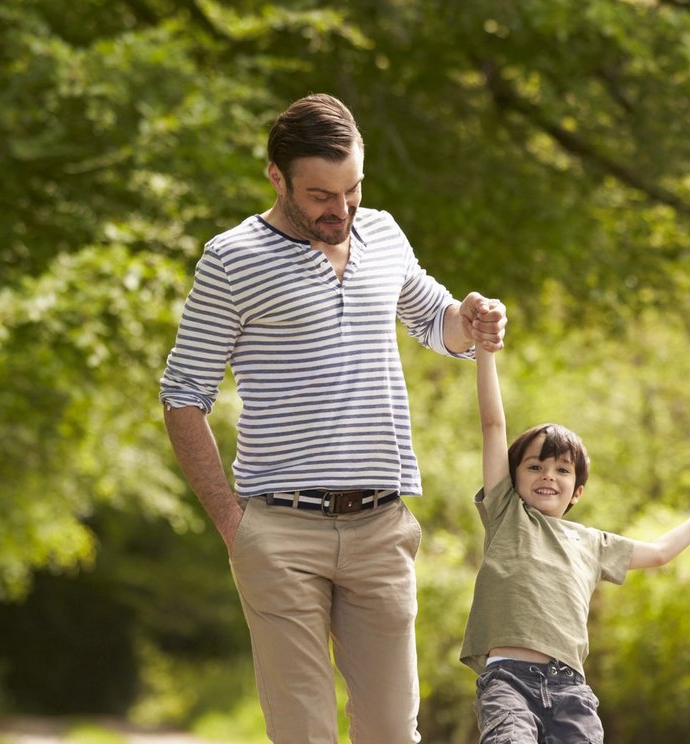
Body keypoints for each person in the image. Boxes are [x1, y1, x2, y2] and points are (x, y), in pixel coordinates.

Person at [159, 93, 507, 744]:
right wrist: (234, 527)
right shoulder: (232, 260)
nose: (340, 210)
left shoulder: (383, 235)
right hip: (280, 531)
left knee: (390, 732)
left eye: (352, 190)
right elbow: (182, 395)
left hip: (382, 527)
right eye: (321, 195)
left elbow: (439, 323)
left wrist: (476, 316)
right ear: (277, 178)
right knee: (304, 732)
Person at [462, 338, 690, 743]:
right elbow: (492, 424)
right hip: (508, 681)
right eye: (534, 466)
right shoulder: (506, 514)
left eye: (562, 470)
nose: (548, 475)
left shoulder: (592, 542)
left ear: (577, 491)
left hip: (570, 689)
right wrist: (485, 350)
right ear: (513, 480)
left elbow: (659, 552)